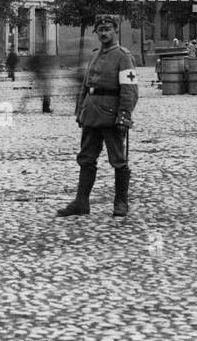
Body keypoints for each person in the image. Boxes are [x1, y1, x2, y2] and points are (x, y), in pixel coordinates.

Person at [57, 15, 138, 218]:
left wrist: (124, 115)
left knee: (118, 160)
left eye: (107, 29)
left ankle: (121, 203)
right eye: (100, 30)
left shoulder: (123, 56)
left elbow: (129, 89)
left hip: (111, 116)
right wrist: (80, 111)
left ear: (115, 31)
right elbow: (86, 85)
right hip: (91, 115)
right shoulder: (95, 55)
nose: (103, 33)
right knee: (86, 158)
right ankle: (81, 203)